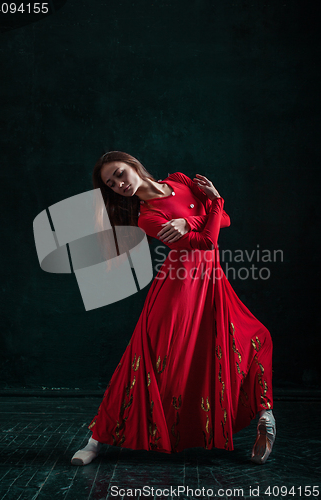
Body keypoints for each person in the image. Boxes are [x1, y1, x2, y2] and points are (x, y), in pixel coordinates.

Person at [71, 151, 276, 466]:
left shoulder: (180, 181)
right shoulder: (147, 217)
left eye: (120, 174)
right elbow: (207, 241)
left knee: (253, 338)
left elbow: (224, 220)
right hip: (179, 287)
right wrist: (213, 203)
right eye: (111, 184)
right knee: (147, 359)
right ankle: (95, 442)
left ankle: (266, 413)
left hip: (212, 282)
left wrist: (188, 218)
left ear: (134, 165)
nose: (119, 185)